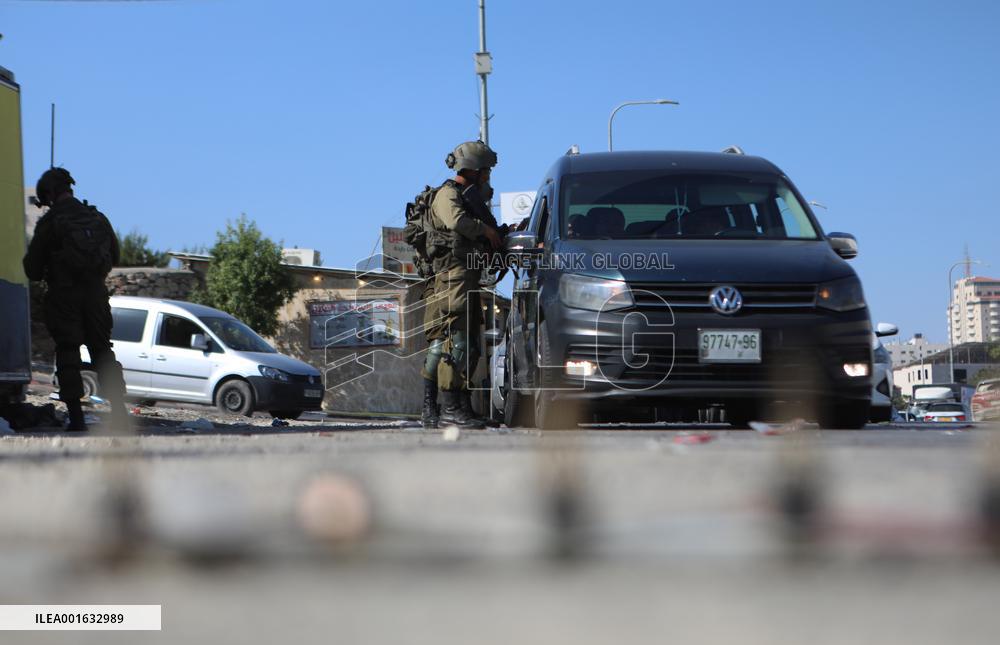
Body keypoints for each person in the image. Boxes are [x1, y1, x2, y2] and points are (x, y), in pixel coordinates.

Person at [23, 168, 129, 433]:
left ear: (49, 194)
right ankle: (119, 412)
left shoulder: (51, 223)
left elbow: (32, 270)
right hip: (96, 296)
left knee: (68, 352)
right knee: (102, 351)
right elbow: (115, 256)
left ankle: (77, 418)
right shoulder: (97, 218)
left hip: (65, 296)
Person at [422, 141, 503, 429]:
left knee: (470, 345)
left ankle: (458, 407)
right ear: (473, 170)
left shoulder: (467, 197)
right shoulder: (448, 194)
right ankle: (449, 409)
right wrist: (485, 230)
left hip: (465, 276)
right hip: (452, 277)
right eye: (485, 171)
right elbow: (457, 222)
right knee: (455, 342)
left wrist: (498, 235)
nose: (488, 177)